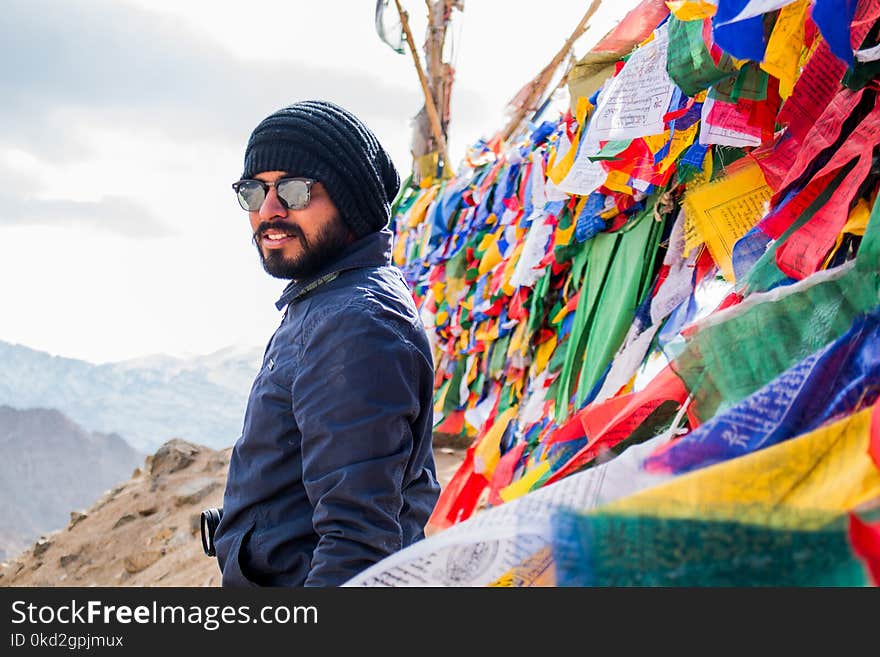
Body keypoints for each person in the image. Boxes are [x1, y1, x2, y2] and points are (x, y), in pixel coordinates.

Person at [212, 100, 441, 587]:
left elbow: (357, 543)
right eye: (253, 192)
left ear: (350, 201)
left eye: (294, 190)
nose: (269, 210)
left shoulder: (355, 323)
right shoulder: (325, 300)